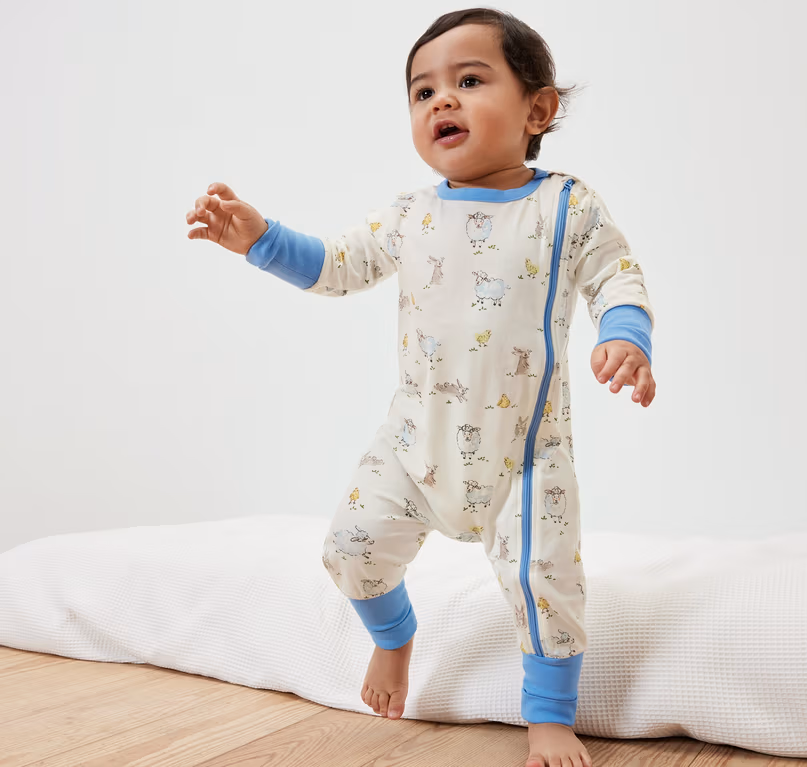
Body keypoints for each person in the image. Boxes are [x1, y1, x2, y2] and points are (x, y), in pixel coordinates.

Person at [186, 8, 656, 766]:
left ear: (537, 110)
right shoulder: (410, 215)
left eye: (469, 80)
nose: (443, 101)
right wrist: (260, 238)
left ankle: (548, 716)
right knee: (349, 547)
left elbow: (617, 275)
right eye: (423, 91)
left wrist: (625, 337)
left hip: (524, 457)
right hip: (413, 447)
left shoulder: (565, 206)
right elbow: (337, 265)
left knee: (547, 581)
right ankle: (393, 636)